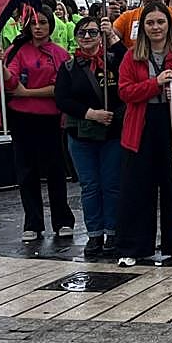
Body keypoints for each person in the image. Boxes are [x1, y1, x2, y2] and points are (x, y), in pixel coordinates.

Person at [117, 1, 172, 267]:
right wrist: (154, 84)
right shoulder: (132, 56)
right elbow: (125, 92)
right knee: (137, 188)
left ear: (169, 25)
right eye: (150, 22)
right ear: (143, 27)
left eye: (161, 22)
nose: (156, 27)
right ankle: (133, 248)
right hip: (141, 126)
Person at [0, 6, 75, 243]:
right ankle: (32, 222)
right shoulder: (16, 50)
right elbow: (11, 82)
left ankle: (63, 220)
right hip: (22, 118)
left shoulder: (61, 54)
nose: (38, 27)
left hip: (51, 118)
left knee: (55, 171)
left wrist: (27, 92)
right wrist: (1, 66)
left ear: (51, 24)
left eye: (43, 22)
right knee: (26, 171)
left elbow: (60, 89)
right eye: (33, 23)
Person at [54, 15, 126, 260]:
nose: (87, 37)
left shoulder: (113, 60)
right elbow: (62, 99)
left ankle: (113, 231)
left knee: (111, 185)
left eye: (93, 32)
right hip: (81, 134)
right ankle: (94, 233)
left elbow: (130, 65)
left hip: (112, 133)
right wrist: (91, 114)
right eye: (82, 33)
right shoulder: (68, 67)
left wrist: (112, 36)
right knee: (90, 186)